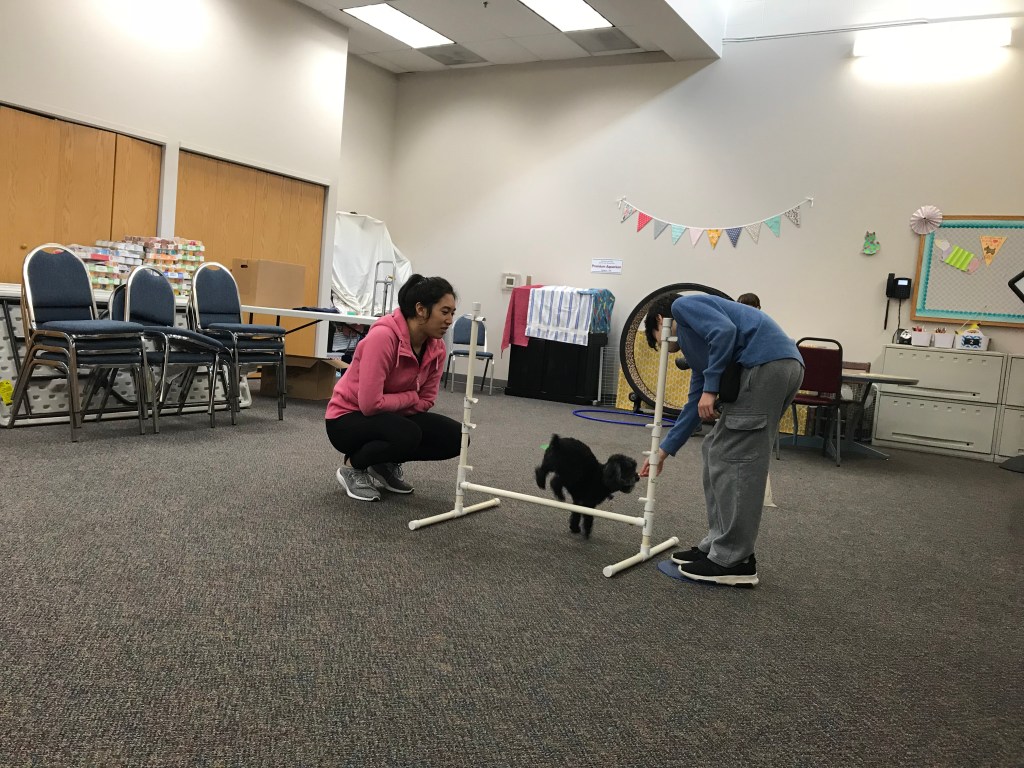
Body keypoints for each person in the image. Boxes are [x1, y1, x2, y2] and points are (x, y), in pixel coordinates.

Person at [640, 293, 804, 586]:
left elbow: (724, 332)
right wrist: (663, 452)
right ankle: (717, 545)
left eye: (659, 339)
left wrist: (712, 388)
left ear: (659, 322)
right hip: (775, 366)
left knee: (738, 457)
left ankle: (734, 560)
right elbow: (694, 404)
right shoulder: (699, 345)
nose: (668, 349)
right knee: (715, 449)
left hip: (765, 366)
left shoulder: (683, 306)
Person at [326, 275, 462, 502]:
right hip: (347, 418)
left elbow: (427, 400)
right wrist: (409, 396)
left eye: (452, 313)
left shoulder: (437, 347)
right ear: (421, 309)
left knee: (458, 437)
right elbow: (369, 405)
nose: (449, 320)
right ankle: (353, 467)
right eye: (444, 311)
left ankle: (382, 462)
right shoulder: (383, 337)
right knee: (408, 433)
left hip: (391, 416)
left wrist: (401, 403)